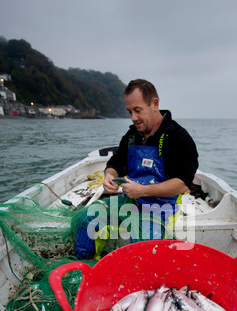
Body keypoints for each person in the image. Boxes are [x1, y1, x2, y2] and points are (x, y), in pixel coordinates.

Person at [74, 78, 199, 259]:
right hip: (130, 203)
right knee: (86, 217)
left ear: (154, 104)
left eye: (138, 110)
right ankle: (85, 268)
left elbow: (183, 183)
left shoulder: (178, 137)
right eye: (130, 111)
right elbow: (115, 163)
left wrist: (143, 190)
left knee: (142, 242)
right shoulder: (132, 135)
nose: (133, 118)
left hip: (161, 208)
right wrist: (109, 176)